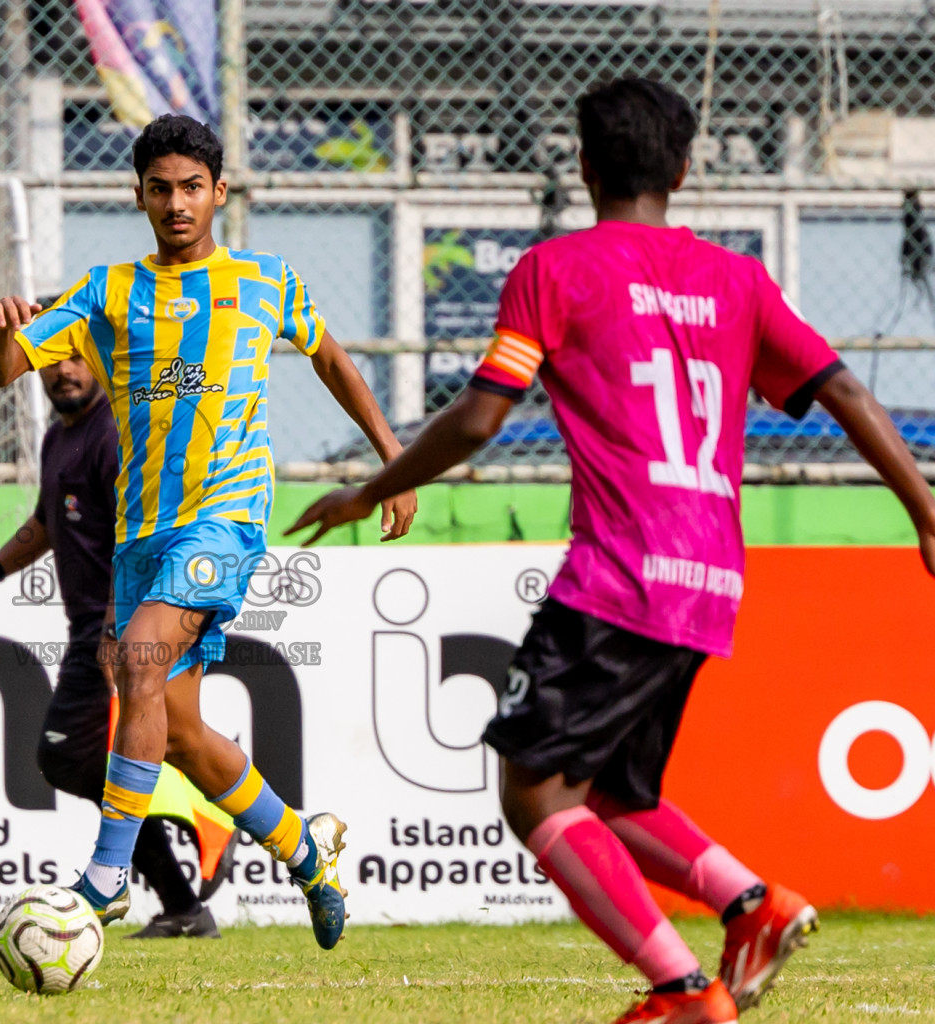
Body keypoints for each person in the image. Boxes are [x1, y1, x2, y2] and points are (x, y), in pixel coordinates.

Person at [289, 77, 935, 1022]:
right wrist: (923, 507)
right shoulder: (740, 280)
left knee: (537, 793)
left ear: (583, 165)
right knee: (614, 796)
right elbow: (846, 394)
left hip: (617, 577)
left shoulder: (556, 272)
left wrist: (372, 487)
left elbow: (477, 419)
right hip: (710, 581)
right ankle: (753, 905)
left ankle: (680, 989)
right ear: (683, 168)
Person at [0, 113, 418, 949]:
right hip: (141, 534)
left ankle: (104, 882)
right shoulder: (107, 292)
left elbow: (329, 359)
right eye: (160, 189)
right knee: (175, 730)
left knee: (137, 658)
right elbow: (3, 373)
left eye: (192, 188)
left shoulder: (266, 281)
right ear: (137, 195)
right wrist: (1, 330)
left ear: (219, 192)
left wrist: (390, 459)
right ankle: (305, 846)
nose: (177, 203)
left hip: (225, 520)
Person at [0, 353, 220, 939]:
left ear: (100, 363)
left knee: (70, 757)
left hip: (116, 631)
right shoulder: (60, 438)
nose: (64, 370)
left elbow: (135, 534)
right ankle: (183, 899)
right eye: (52, 360)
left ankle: (177, 887)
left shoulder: (113, 434)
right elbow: (44, 522)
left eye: (76, 358)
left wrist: (116, 627)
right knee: (91, 761)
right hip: (93, 630)